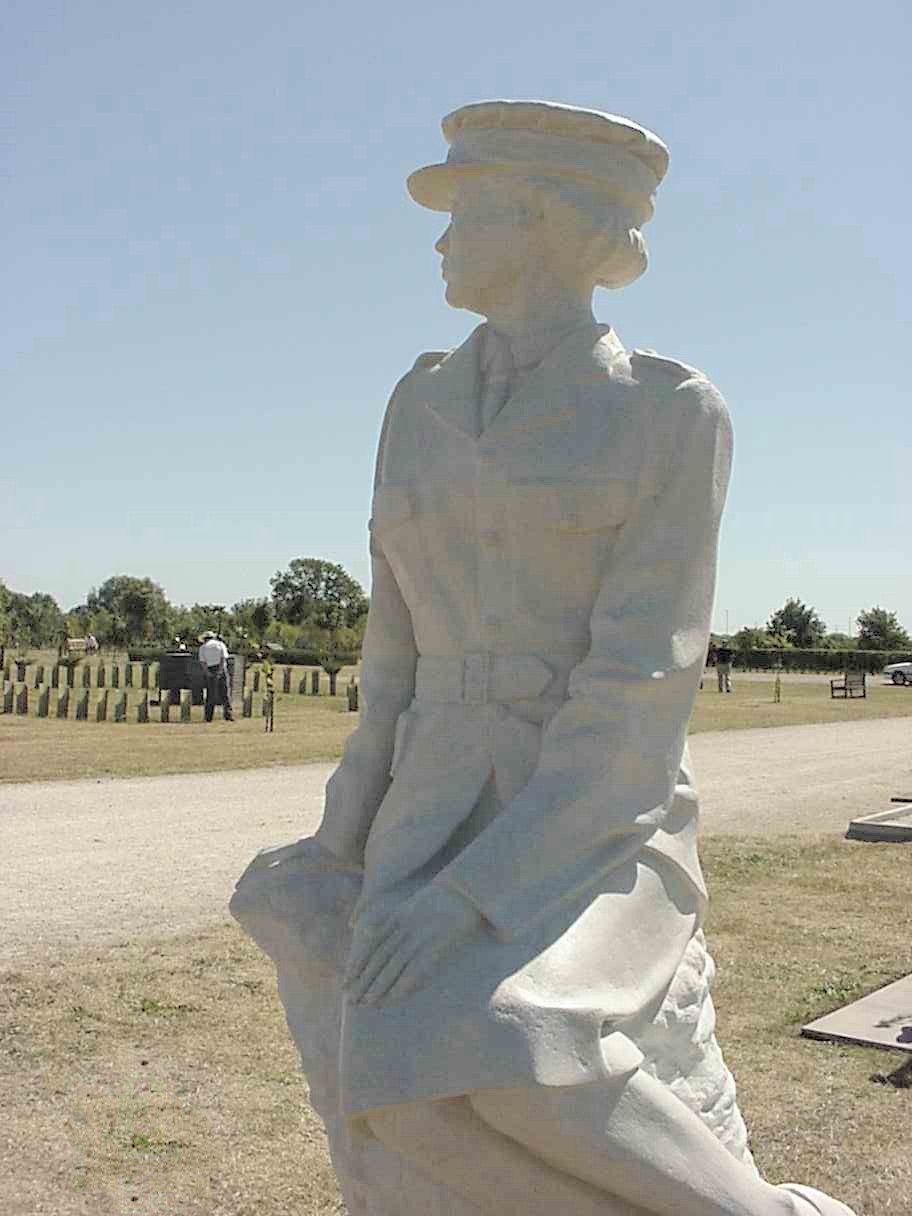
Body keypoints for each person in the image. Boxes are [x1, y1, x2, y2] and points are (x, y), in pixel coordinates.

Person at [305, 102, 854, 1216]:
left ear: (549, 223)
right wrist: (342, 834)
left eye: (469, 214)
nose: (441, 242)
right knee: (377, 1045)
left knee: (515, 1029)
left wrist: (466, 900)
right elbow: (393, 660)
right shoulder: (416, 405)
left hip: (600, 824)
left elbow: (637, 700)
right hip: (431, 806)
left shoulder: (666, 412)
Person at [198, 630, 233, 722]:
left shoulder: (202, 647)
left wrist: (207, 672)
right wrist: (221, 670)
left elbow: (203, 662)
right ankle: (228, 715)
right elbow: (223, 658)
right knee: (225, 694)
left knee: (211, 695)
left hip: (210, 669)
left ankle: (208, 717)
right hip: (221, 668)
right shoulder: (220, 644)